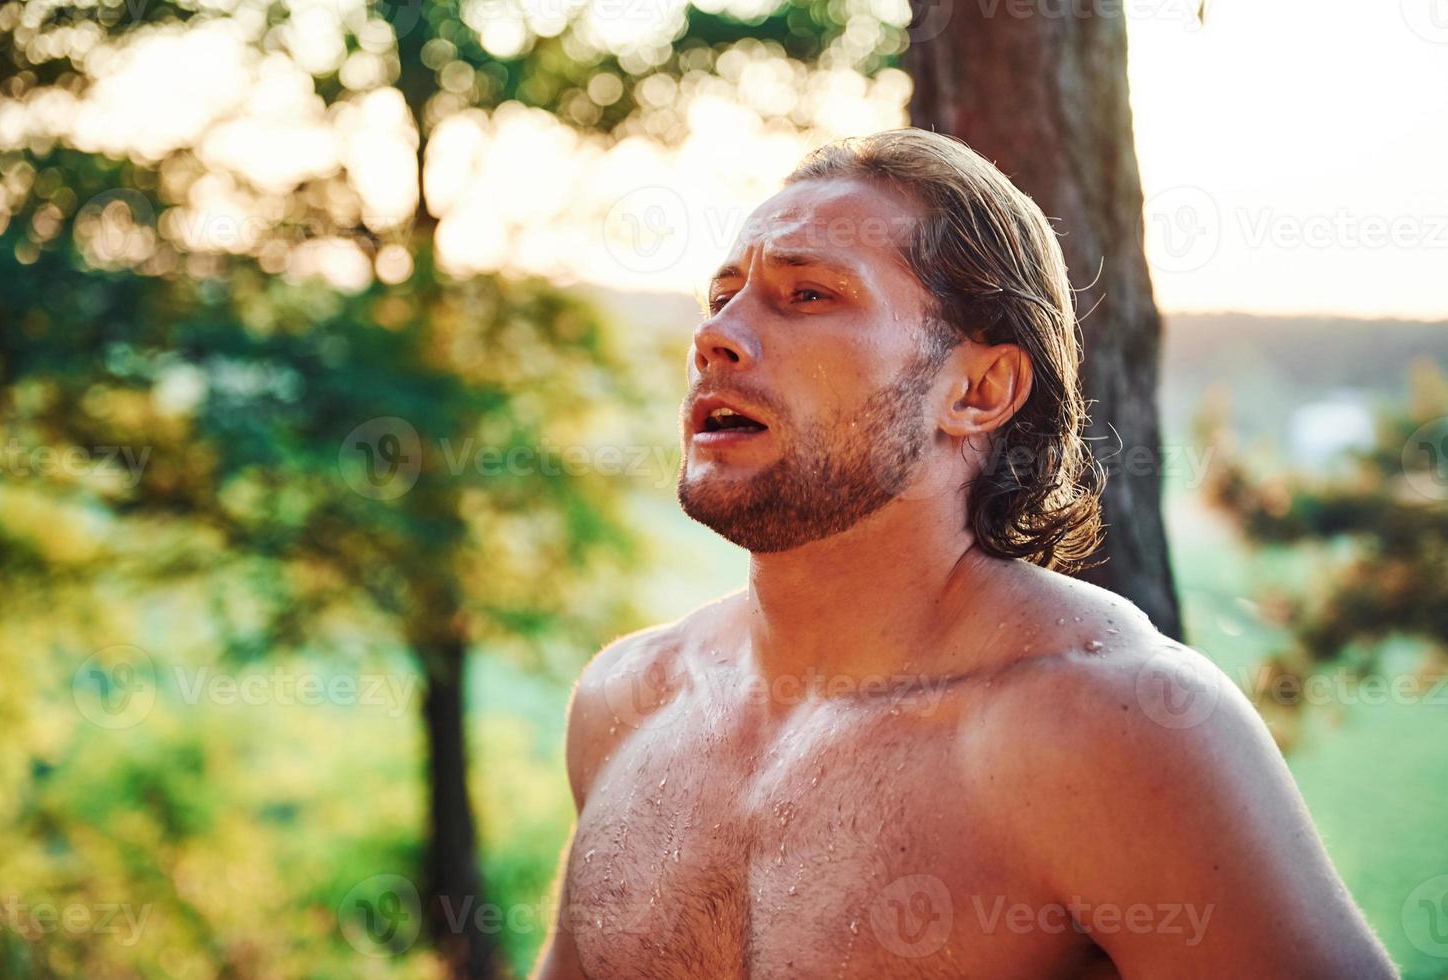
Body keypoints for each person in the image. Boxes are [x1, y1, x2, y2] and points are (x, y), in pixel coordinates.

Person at [533, 128, 1396, 978]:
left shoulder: (1117, 728)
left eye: (807, 296)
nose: (716, 336)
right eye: (722, 295)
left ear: (979, 391)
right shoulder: (629, 700)